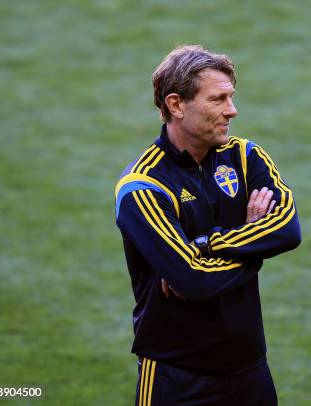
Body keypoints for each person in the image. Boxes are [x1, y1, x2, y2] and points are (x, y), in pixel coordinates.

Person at [114, 45, 301, 406]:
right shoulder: (142, 187)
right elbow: (194, 280)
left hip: (251, 370)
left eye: (230, 97)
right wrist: (255, 244)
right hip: (177, 378)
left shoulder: (246, 158)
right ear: (176, 105)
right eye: (218, 99)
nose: (232, 110)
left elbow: (288, 231)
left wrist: (203, 245)